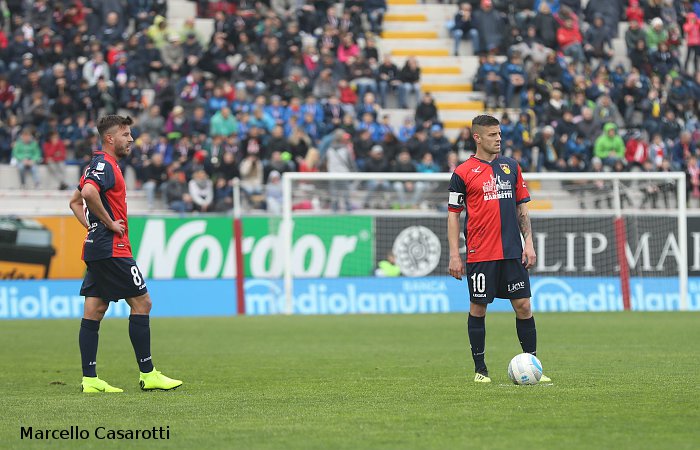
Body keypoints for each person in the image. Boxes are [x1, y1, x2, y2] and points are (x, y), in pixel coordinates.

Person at [68, 115, 182, 393]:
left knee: (95, 309)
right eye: (126, 134)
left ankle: (90, 379)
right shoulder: (105, 165)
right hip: (113, 249)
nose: (131, 139)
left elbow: (74, 202)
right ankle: (148, 373)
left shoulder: (97, 165)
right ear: (110, 138)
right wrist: (107, 224)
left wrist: (93, 226)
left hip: (97, 247)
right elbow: (88, 192)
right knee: (143, 303)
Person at [447, 114, 551, 384]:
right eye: (493, 135)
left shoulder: (511, 167)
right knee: (478, 308)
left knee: (524, 306)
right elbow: (453, 214)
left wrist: (528, 242)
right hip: (481, 254)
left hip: (512, 252)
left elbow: (522, 208)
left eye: (500, 134)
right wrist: (454, 255)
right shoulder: (462, 172)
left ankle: (533, 363)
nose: (499, 139)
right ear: (477, 137)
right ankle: (480, 370)